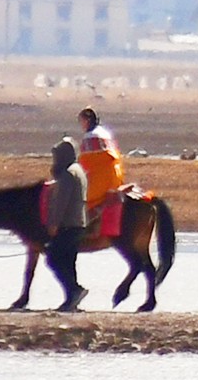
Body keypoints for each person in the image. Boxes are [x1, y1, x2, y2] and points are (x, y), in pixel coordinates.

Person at [38, 138, 90, 311]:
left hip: (69, 224)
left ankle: (75, 290)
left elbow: (62, 202)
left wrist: (53, 224)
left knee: (53, 258)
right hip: (79, 223)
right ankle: (71, 301)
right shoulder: (79, 170)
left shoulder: (68, 174)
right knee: (69, 262)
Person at [73, 107, 130, 244]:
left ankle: (86, 228)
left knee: (80, 199)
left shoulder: (90, 137)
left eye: (81, 121)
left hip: (103, 178)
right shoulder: (105, 133)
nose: (81, 125)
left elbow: (85, 162)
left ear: (87, 120)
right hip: (115, 176)